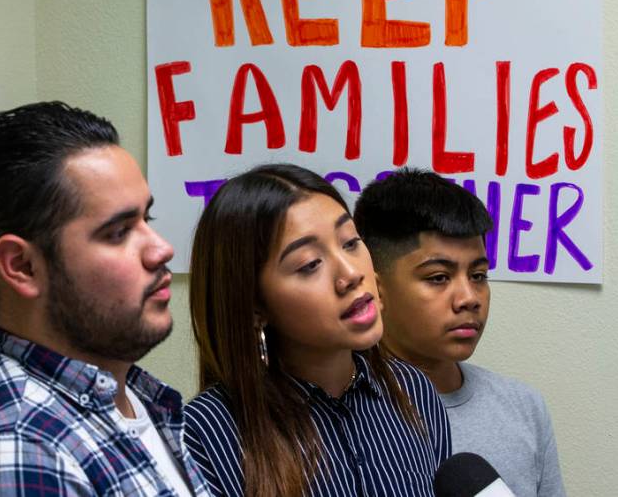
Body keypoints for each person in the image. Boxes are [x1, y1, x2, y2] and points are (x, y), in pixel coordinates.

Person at [0, 101, 208, 496]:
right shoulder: (15, 454)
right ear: (22, 266)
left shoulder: (129, 396)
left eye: (146, 220)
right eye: (118, 232)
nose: (161, 250)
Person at [183, 163, 450, 497]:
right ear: (255, 306)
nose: (351, 273)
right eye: (310, 264)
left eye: (351, 242)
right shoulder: (205, 431)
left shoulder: (413, 391)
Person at [353, 168, 566, 497]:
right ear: (376, 290)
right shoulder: (338, 414)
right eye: (438, 277)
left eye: (479, 275)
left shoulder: (524, 407)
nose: (469, 298)